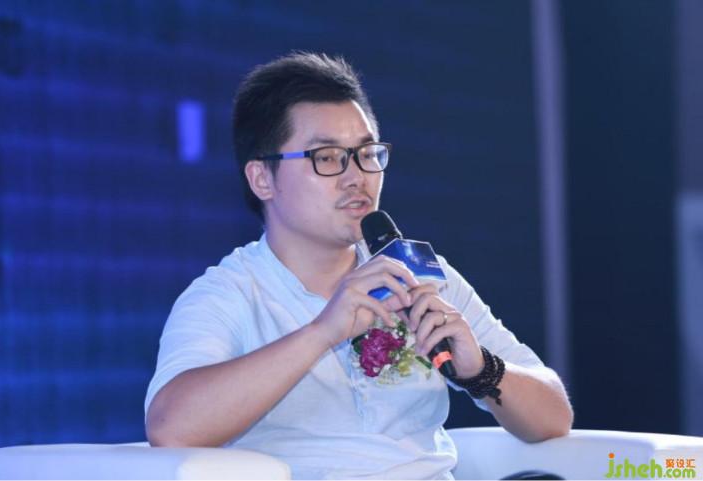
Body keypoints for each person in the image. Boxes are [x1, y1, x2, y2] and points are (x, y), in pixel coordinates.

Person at [144, 52, 573, 479]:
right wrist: (322, 332)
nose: (357, 177)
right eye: (328, 157)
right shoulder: (229, 294)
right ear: (262, 179)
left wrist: (480, 369)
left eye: (367, 153)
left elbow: (554, 416)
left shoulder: (419, 273)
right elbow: (170, 428)